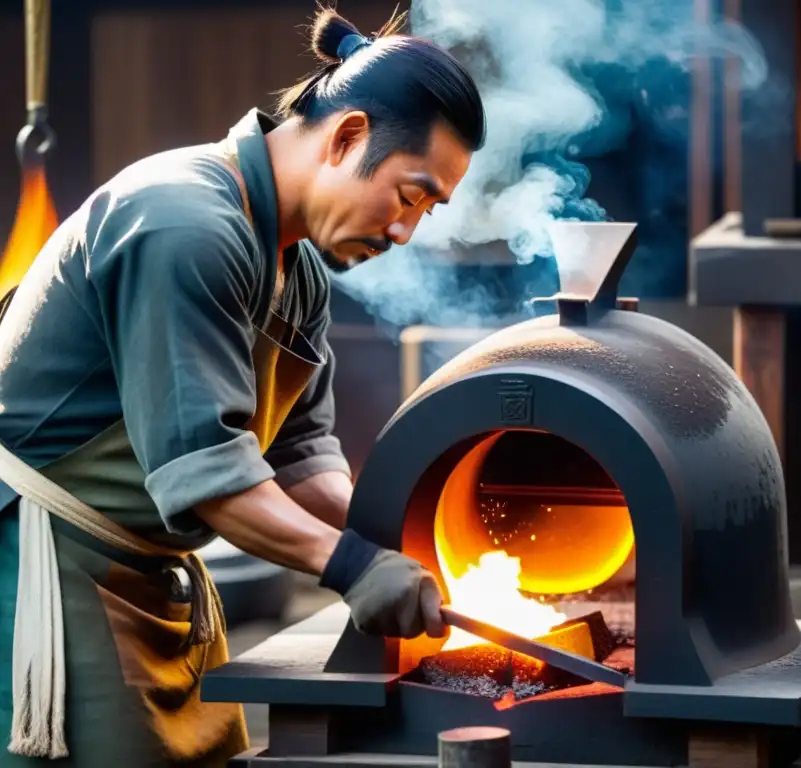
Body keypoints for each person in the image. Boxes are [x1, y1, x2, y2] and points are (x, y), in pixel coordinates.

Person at [0, 6, 485, 766]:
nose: (405, 233)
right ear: (348, 135)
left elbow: (299, 454)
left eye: (428, 211)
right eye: (409, 195)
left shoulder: (297, 271)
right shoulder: (184, 223)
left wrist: (404, 545)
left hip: (151, 579)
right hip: (43, 570)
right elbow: (210, 478)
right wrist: (354, 566)